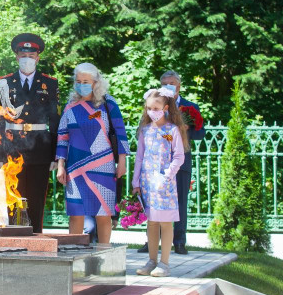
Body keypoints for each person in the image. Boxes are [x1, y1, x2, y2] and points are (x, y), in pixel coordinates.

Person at [55, 63, 129, 243]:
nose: (81, 84)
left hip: (103, 167)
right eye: (78, 81)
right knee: (75, 213)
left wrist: (123, 162)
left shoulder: (108, 104)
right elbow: (62, 137)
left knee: (103, 213)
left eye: (86, 81)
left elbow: (120, 133)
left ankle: (104, 253)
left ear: (96, 82)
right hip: (75, 168)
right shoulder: (70, 106)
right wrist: (60, 166)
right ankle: (74, 252)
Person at [0, 33, 60, 233]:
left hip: (40, 148)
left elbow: (55, 121)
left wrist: (56, 155)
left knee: (37, 198)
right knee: (13, 198)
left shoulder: (50, 83)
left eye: (31, 56)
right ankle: (14, 238)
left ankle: (37, 238)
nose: (27, 59)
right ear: (16, 57)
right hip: (13, 148)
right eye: (23, 55)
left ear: (38, 58)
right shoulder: (4, 83)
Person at [138, 70, 205, 255]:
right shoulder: (155, 104)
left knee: (180, 201)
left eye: (171, 83)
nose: (168, 86)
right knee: (154, 202)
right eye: (165, 83)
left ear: (178, 86)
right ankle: (152, 242)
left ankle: (180, 241)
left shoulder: (190, 107)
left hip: (180, 163)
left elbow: (201, 134)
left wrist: (186, 129)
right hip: (156, 165)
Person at [133, 88, 187, 277]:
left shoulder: (171, 130)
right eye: (148, 108)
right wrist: (136, 180)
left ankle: (164, 263)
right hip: (148, 183)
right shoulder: (145, 130)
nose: (151, 112)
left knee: (165, 223)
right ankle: (151, 260)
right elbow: (139, 157)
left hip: (165, 184)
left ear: (164, 108)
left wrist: (167, 175)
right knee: (152, 222)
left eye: (155, 108)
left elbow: (178, 156)